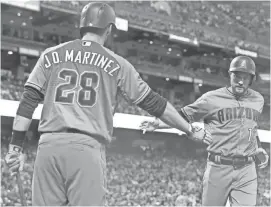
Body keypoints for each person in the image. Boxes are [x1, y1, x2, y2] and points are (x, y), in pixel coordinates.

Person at [4, 2, 212, 206]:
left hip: (48, 147)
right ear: (109, 29)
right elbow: (154, 103)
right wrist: (188, 129)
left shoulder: (50, 55)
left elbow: (28, 101)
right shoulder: (118, 64)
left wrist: (15, 148)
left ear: (82, 25)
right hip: (86, 149)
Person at [140, 56, 269, 206]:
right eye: (237, 76)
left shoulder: (258, 99)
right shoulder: (211, 99)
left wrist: (258, 146)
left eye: (245, 78)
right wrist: (158, 124)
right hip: (218, 167)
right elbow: (184, 115)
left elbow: (252, 126)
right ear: (230, 75)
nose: (240, 81)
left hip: (247, 169)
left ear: (251, 79)